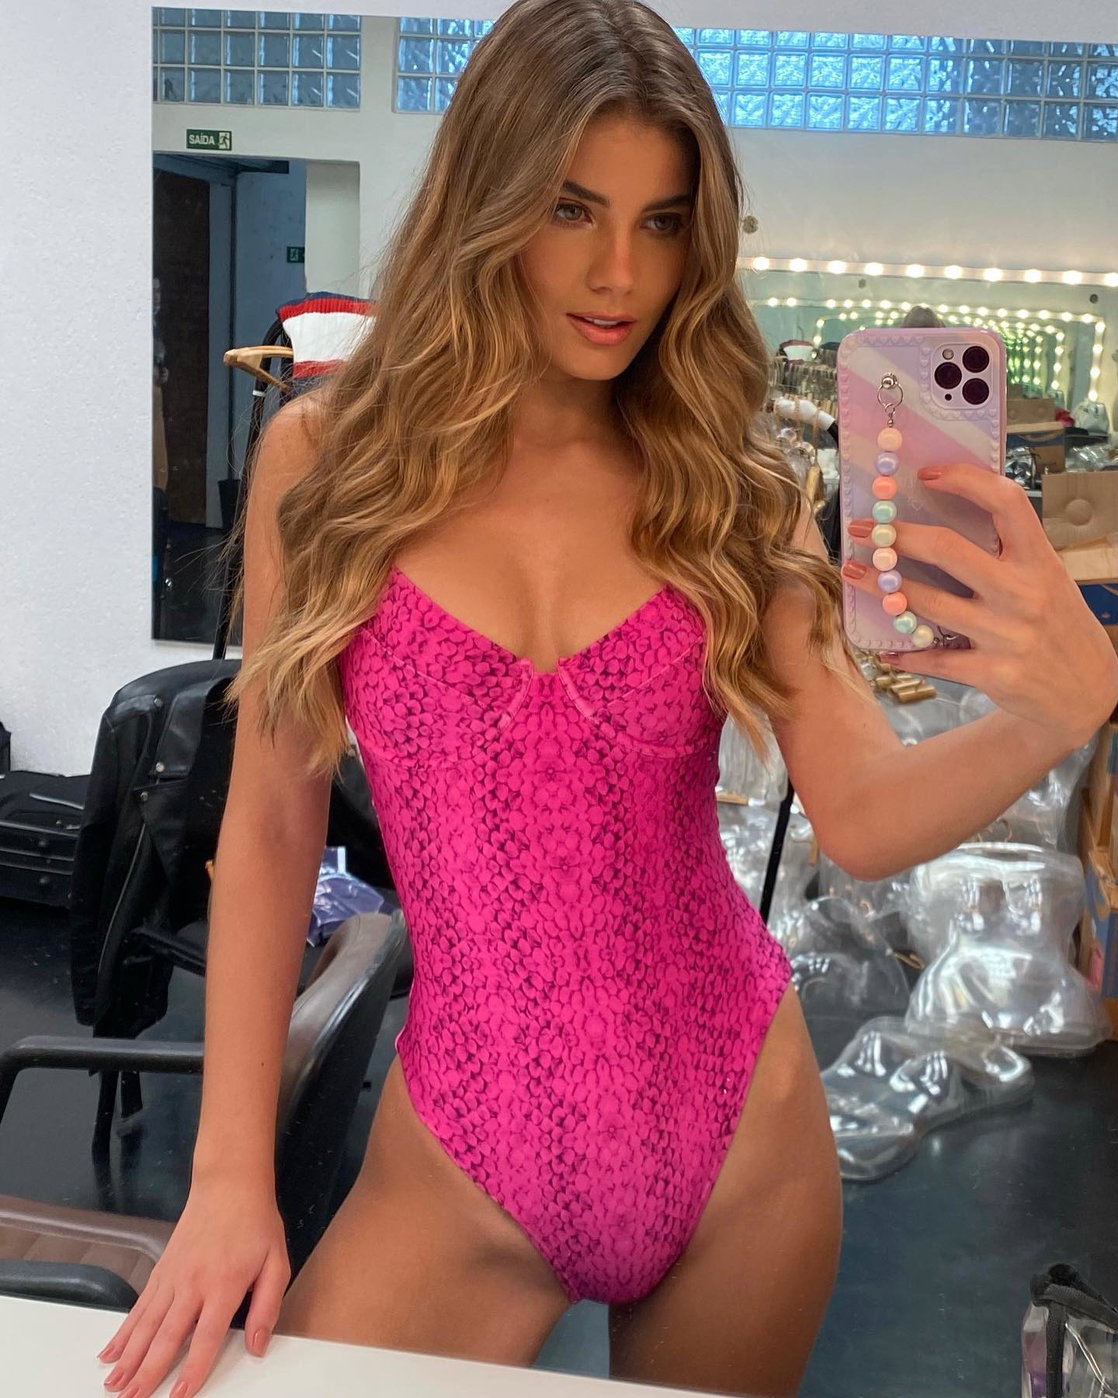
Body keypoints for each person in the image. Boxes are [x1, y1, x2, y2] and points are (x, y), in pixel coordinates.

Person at [95, 3, 1118, 1397]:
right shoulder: (327, 465)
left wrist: (1056, 713)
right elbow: (273, 821)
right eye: (572, 208)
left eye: (662, 220)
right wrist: (230, 1176)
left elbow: (865, 813)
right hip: (463, 1154)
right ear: (488, 200)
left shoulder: (729, 491)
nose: (619, 272)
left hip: (740, 1141)